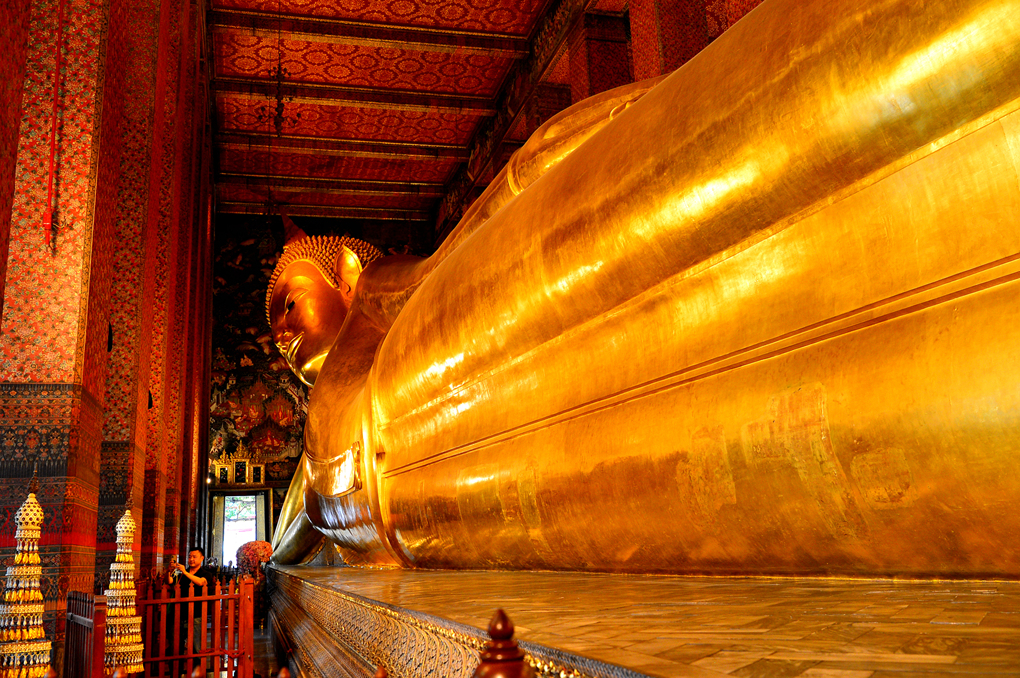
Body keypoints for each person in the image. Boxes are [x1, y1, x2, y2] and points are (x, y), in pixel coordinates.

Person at [168, 548, 215, 658]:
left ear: (202, 558)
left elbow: (201, 582)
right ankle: (176, 668)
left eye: (194, 557)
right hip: (179, 614)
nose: (191, 559)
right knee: (175, 648)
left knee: (196, 648)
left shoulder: (206, 574)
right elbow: (169, 581)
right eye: (190, 557)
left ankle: (196, 668)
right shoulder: (181, 573)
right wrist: (169, 571)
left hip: (196, 615)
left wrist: (185, 572)